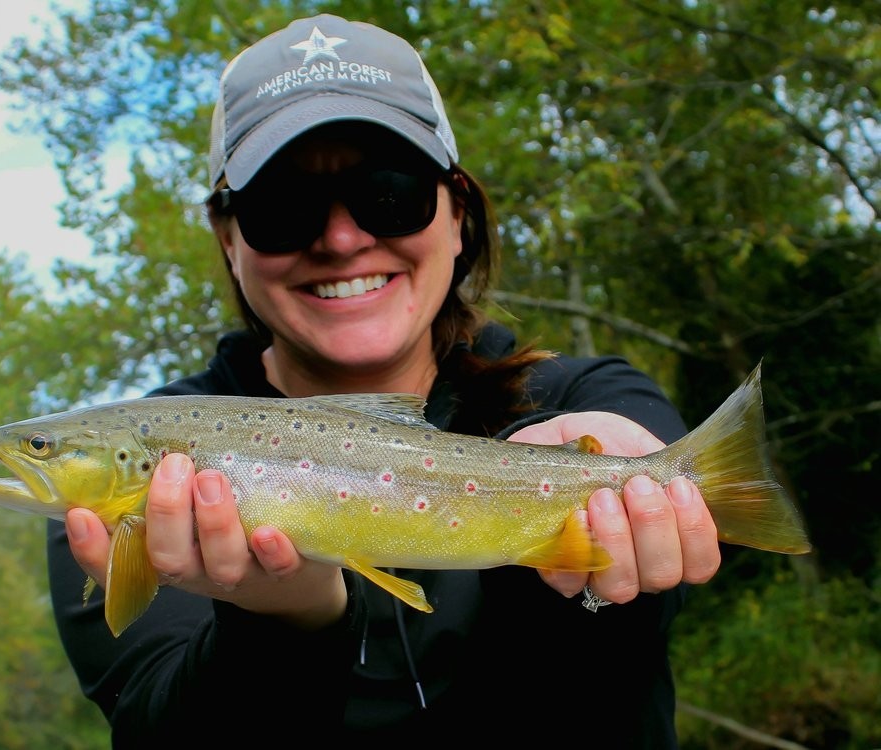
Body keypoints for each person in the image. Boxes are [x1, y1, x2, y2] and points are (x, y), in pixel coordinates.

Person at [47, 13, 721, 745]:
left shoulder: (589, 402)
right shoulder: (128, 474)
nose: (342, 239)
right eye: (282, 208)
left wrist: (619, 537)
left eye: (390, 193)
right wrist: (285, 619)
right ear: (228, 238)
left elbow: (621, 656)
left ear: (458, 212)